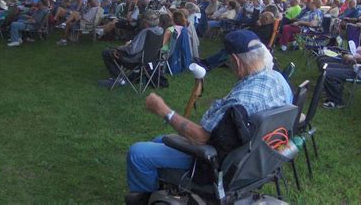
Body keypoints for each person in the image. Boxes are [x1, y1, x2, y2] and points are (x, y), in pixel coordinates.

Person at [125, 30, 293, 204]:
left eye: (229, 60)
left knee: (138, 153)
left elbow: (200, 138)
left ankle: (144, 199)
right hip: (254, 159)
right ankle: (162, 190)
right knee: (160, 140)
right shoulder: (279, 80)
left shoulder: (240, 101)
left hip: (214, 164)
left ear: (236, 60)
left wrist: (163, 110)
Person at [98, 10, 163, 88]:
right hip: (149, 60)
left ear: (145, 22)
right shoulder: (160, 31)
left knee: (107, 52)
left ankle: (119, 80)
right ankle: (121, 77)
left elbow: (132, 50)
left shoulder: (146, 32)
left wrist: (120, 48)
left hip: (135, 60)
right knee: (115, 52)